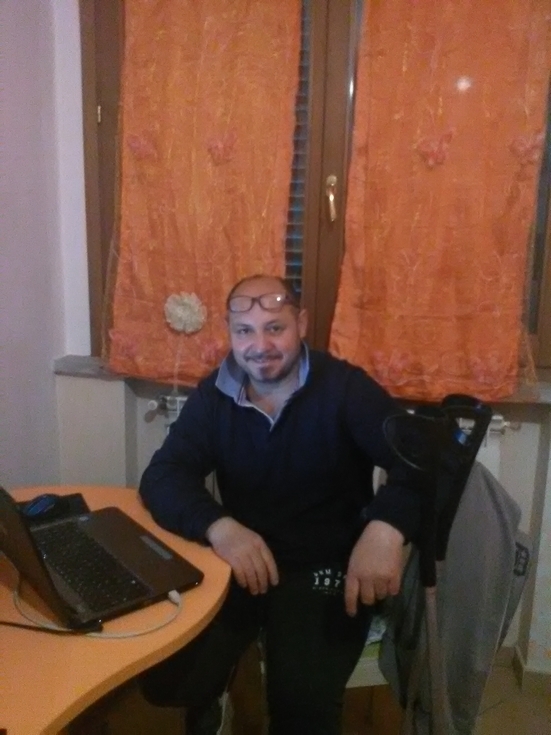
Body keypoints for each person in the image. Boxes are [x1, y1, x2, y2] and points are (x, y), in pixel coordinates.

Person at [138, 274, 422, 735]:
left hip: (324, 566)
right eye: (244, 331)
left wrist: (386, 526)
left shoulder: (344, 387)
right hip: (241, 560)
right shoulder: (215, 392)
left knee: (300, 709)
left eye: (275, 328)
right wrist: (220, 527)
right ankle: (219, 695)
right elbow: (163, 475)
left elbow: (423, 460)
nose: (260, 346)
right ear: (230, 333)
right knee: (168, 680)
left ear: (301, 324)